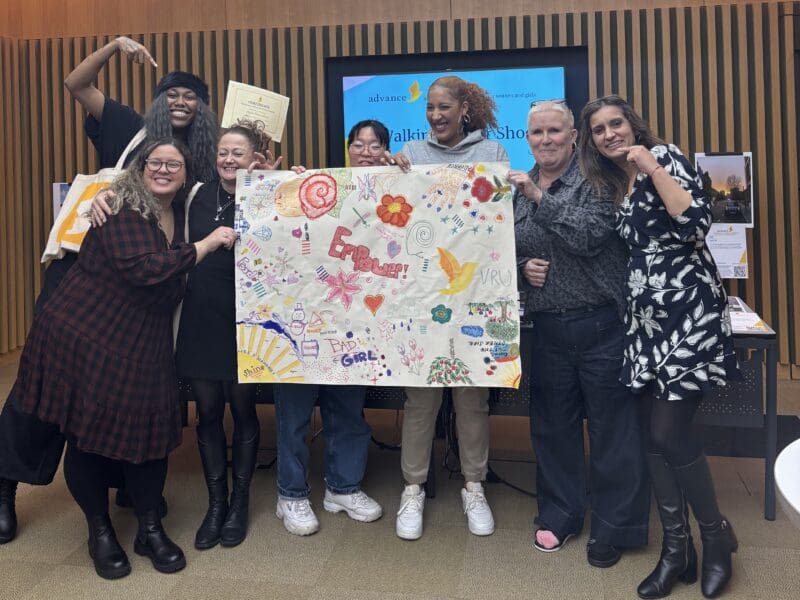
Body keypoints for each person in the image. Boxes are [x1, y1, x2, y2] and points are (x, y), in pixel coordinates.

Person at [0, 38, 218, 544]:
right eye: (172, 93)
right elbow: (76, 84)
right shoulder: (127, 127)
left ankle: (124, 481)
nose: (180, 102)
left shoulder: (203, 162)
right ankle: (6, 482)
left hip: (146, 295)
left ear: (203, 109)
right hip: (87, 284)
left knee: (118, 392)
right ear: (158, 100)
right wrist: (115, 46)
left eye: (191, 96)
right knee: (47, 387)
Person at [10, 138, 236, 579]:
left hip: (144, 341)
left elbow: (232, 196)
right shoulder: (120, 206)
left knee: (152, 436)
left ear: (188, 174)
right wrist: (205, 246)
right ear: (141, 166)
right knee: (86, 436)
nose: (165, 170)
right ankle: (100, 531)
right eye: (156, 162)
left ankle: (150, 528)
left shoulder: (186, 209)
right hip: (88, 336)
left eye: (175, 164)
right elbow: (145, 268)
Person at [578, 95, 739, 599]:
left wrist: (651, 164)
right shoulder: (614, 183)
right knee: (651, 434)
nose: (609, 134)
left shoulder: (663, 157)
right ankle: (676, 549)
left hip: (689, 313)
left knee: (670, 433)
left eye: (616, 123)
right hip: (646, 323)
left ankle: (714, 537)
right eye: (599, 129)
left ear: (633, 125)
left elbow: (695, 226)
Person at [507, 100, 650, 567]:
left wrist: (538, 199)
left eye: (554, 131)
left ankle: (615, 527)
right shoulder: (514, 191)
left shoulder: (598, 180)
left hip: (602, 324)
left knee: (613, 430)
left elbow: (589, 235)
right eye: (536, 133)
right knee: (552, 429)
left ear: (573, 135)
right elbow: (497, 253)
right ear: (526, 138)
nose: (545, 140)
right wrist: (520, 267)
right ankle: (561, 514)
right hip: (545, 328)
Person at [387, 76, 507, 540]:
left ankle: (473, 485)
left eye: (444, 107)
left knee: (471, 397)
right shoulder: (412, 155)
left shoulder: (492, 155)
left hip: (476, 295)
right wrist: (390, 173)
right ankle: (412, 488)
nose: (436, 115)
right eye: (430, 108)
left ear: (464, 110)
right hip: (421, 296)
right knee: (421, 398)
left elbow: (495, 224)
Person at [272, 120, 389, 536]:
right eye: (358, 143)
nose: (365, 150)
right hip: (303, 323)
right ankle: (291, 493)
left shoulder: (399, 193)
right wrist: (290, 186)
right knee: (294, 414)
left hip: (356, 327)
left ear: (386, 150)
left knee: (348, 411)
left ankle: (343, 487)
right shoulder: (323, 189)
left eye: (375, 145)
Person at [175, 121, 275, 549]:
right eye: (223, 152)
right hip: (201, 317)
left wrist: (286, 182)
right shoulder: (196, 194)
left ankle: (239, 503)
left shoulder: (270, 196)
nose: (228, 160)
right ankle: (216, 504)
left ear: (255, 158)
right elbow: (147, 194)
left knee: (243, 410)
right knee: (209, 412)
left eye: (238, 153)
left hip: (247, 322)